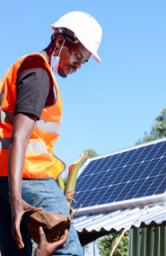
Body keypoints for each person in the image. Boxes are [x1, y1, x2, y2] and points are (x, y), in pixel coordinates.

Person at [0, 11, 102, 256]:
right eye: (77, 55)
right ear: (59, 41)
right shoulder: (38, 73)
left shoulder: (28, 68)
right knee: (70, 251)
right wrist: (16, 199)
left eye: (83, 62)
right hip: (29, 177)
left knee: (19, 251)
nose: (78, 65)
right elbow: (20, 138)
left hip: (5, 179)